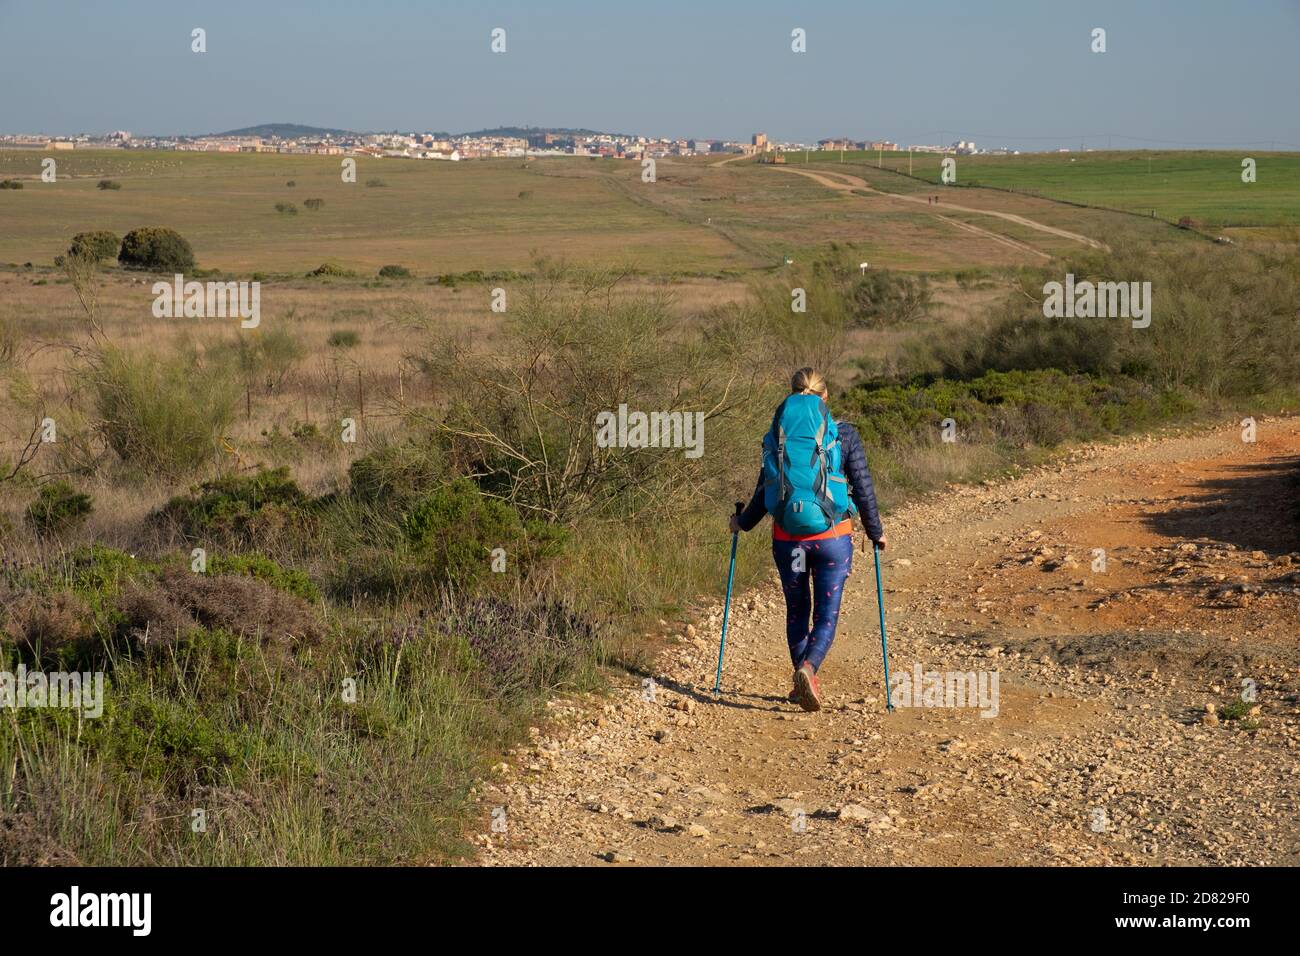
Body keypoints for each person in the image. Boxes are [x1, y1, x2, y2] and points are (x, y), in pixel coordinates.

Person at [729, 367, 887, 711]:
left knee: (797, 610)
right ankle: (808, 669)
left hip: (789, 540)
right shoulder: (843, 434)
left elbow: (763, 492)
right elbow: (862, 487)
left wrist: (741, 523)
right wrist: (876, 532)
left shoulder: (777, 437)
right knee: (826, 615)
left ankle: (802, 680)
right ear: (825, 397)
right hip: (832, 538)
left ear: (791, 393)